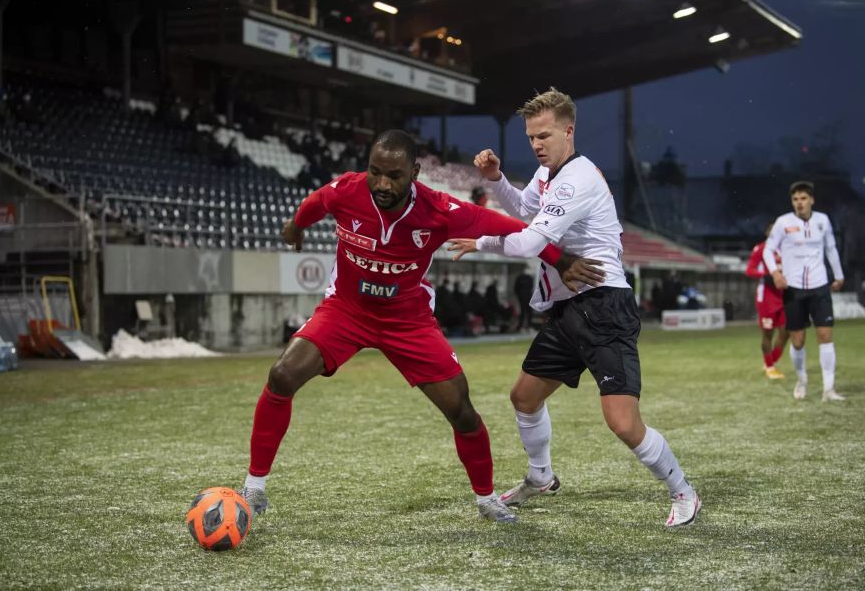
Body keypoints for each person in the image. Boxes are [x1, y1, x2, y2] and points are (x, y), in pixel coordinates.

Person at [238, 129, 603, 525]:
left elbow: (510, 228)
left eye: (393, 175)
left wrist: (559, 258)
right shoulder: (346, 189)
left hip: (406, 321)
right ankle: (254, 486)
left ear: (414, 173)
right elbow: (315, 202)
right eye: (375, 171)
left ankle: (486, 498)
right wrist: (296, 226)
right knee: (282, 375)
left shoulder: (441, 211)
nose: (381, 183)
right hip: (346, 310)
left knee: (461, 411)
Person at [450, 87, 700, 527]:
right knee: (524, 397)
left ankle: (683, 490)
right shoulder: (549, 174)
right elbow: (525, 208)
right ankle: (541, 476)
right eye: (530, 138)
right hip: (567, 308)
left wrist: (484, 241)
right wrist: (497, 180)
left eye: (544, 136)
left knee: (623, 423)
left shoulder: (576, 179)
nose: (537, 144)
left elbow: (528, 239)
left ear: (569, 130)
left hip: (604, 305)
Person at [763, 181, 846, 401]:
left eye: (803, 198)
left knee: (825, 336)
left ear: (812, 200)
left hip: (820, 286)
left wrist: (838, 275)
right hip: (794, 289)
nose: (799, 203)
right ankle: (802, 380)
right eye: (795, 199)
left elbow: (830, 248)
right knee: (797, 341)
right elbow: (768, 251)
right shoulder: (783, 223)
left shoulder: (823, 220)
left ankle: (829, 389)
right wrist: (775, 274)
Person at [745, 223, 788, 380]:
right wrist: (766, 274)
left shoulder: (786, 249)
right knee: (768, 333)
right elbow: (749, 270)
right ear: (768, 233)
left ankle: (771, 361)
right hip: (767, 297)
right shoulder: (761, 249)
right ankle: (770, 367)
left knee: (786, 331)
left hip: (784, 296)